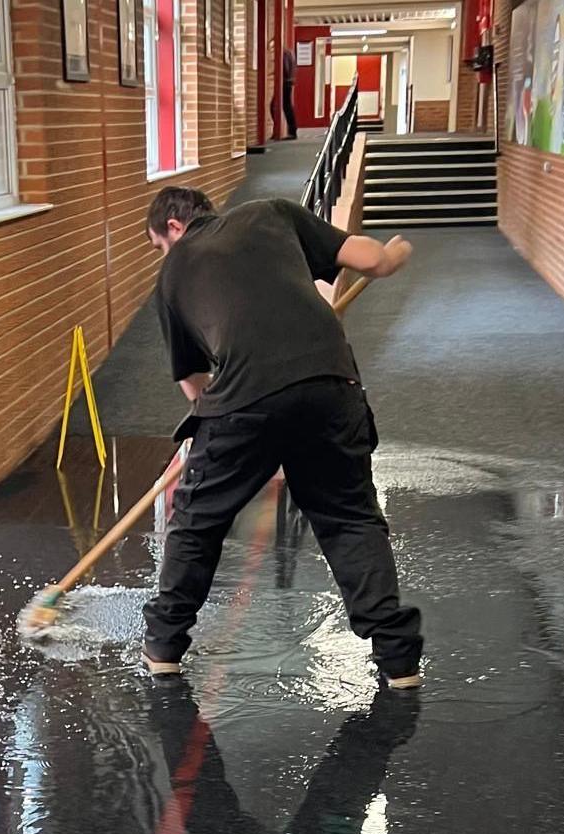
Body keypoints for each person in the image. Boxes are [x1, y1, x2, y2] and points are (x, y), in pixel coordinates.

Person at [141, 186, 423, 689]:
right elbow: (372, 259)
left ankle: (163, 646)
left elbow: (192, 381)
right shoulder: (272, 213)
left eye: (160, 244)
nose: (165, 255)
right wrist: (397, 253)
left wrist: (215, 439)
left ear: (175, 229)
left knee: (198, 522)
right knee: (348, 515)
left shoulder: (172, 274)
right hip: (330, 384)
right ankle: (398, 659)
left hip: (243, 400)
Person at [280, 46, 299, 139]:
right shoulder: (290, 53)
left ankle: (292, 131)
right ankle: (292, 130)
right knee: (287, 106)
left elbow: (286, 69)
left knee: (285, 106)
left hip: (285, 82)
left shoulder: (283, 54)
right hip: (289, 81)